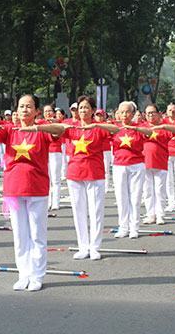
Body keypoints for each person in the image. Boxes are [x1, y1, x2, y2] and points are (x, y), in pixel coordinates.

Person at [0, 94, 64, 291]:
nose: (24, 110)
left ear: (36, 111)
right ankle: (23, 274)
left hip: (37, 188)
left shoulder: (41, 130)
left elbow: (60, 130)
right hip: (13, 189)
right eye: (21, 106)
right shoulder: (10, 130)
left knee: (37, 235)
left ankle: (37, 275)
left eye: (29, 106)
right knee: (20, 235)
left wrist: (37, 127)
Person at [60, 95, 111, 260]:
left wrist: (99, 124)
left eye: (86, 107)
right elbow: (53, 127)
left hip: (95, 173)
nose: (83, 110)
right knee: (78, 211)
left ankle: (95, 247)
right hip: (74, 173)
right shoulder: (71, 128)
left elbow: (117, 130)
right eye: (81, 107)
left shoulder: (99, 128)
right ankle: (83, 246)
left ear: (93, 110)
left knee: (96, 211)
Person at [95, 101, 151, 239]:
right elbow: (100, 129)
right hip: (119, 165)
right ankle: (123, 226)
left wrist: (134, 128)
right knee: (121, 198)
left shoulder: (140, 126)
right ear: (117, 113)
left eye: (127, 112)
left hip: (137, 165)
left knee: (135, 198)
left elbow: (149, 132)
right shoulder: (114, 127)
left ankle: (134, 227)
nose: (124, 114)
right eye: (121, 112)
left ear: (133, 114)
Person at [141, 104, 175, 225]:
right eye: (148, 113)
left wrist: (162, 125)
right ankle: (150, 214)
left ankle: (160, 214)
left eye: (153, 112)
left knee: (159, 190)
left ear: (158, 114)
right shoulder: (142, 127)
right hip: (145, 162)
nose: (151, 115)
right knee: (147, 191)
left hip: (161, 162)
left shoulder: (165, 127)